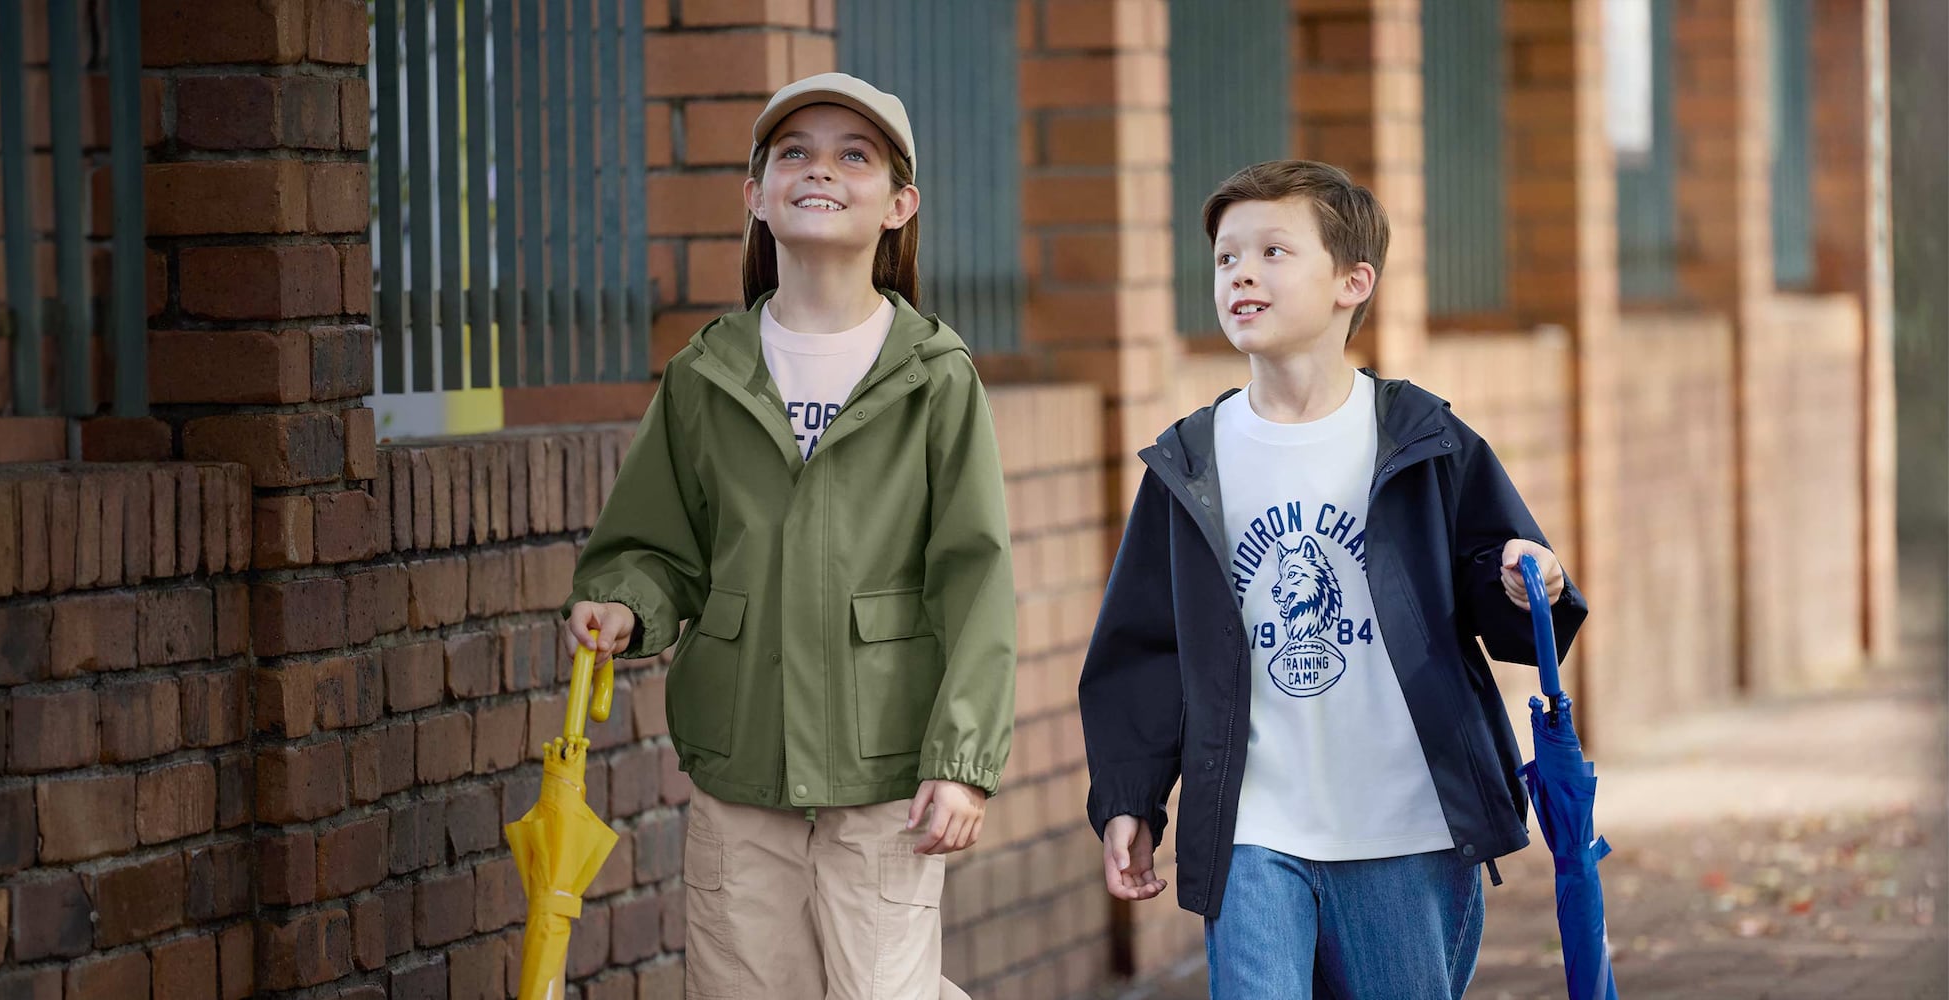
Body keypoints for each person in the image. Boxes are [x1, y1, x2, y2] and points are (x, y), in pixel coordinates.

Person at [1078, 159, 1589, 999]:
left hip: (1405, 824)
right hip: (1253, 824)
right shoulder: (1191, 460)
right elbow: (1142, 646)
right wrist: (1130, 796)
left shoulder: (1421, 437)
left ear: (1354, 282)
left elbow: (1505, 594)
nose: (1241, 271)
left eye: (1274, 251)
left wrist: (1524, 575)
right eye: (1225, 257)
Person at [564, 73, 1016, 1000]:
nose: (822, 170)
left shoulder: (934, 376)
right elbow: (654, 542)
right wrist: (624, 605)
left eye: (855, 155)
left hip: (885, 776)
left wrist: (962, 764)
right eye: (794, 153)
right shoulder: (707, 372)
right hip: (743, 778)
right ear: (757, 197)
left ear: (899, 205)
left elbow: (975, 576)